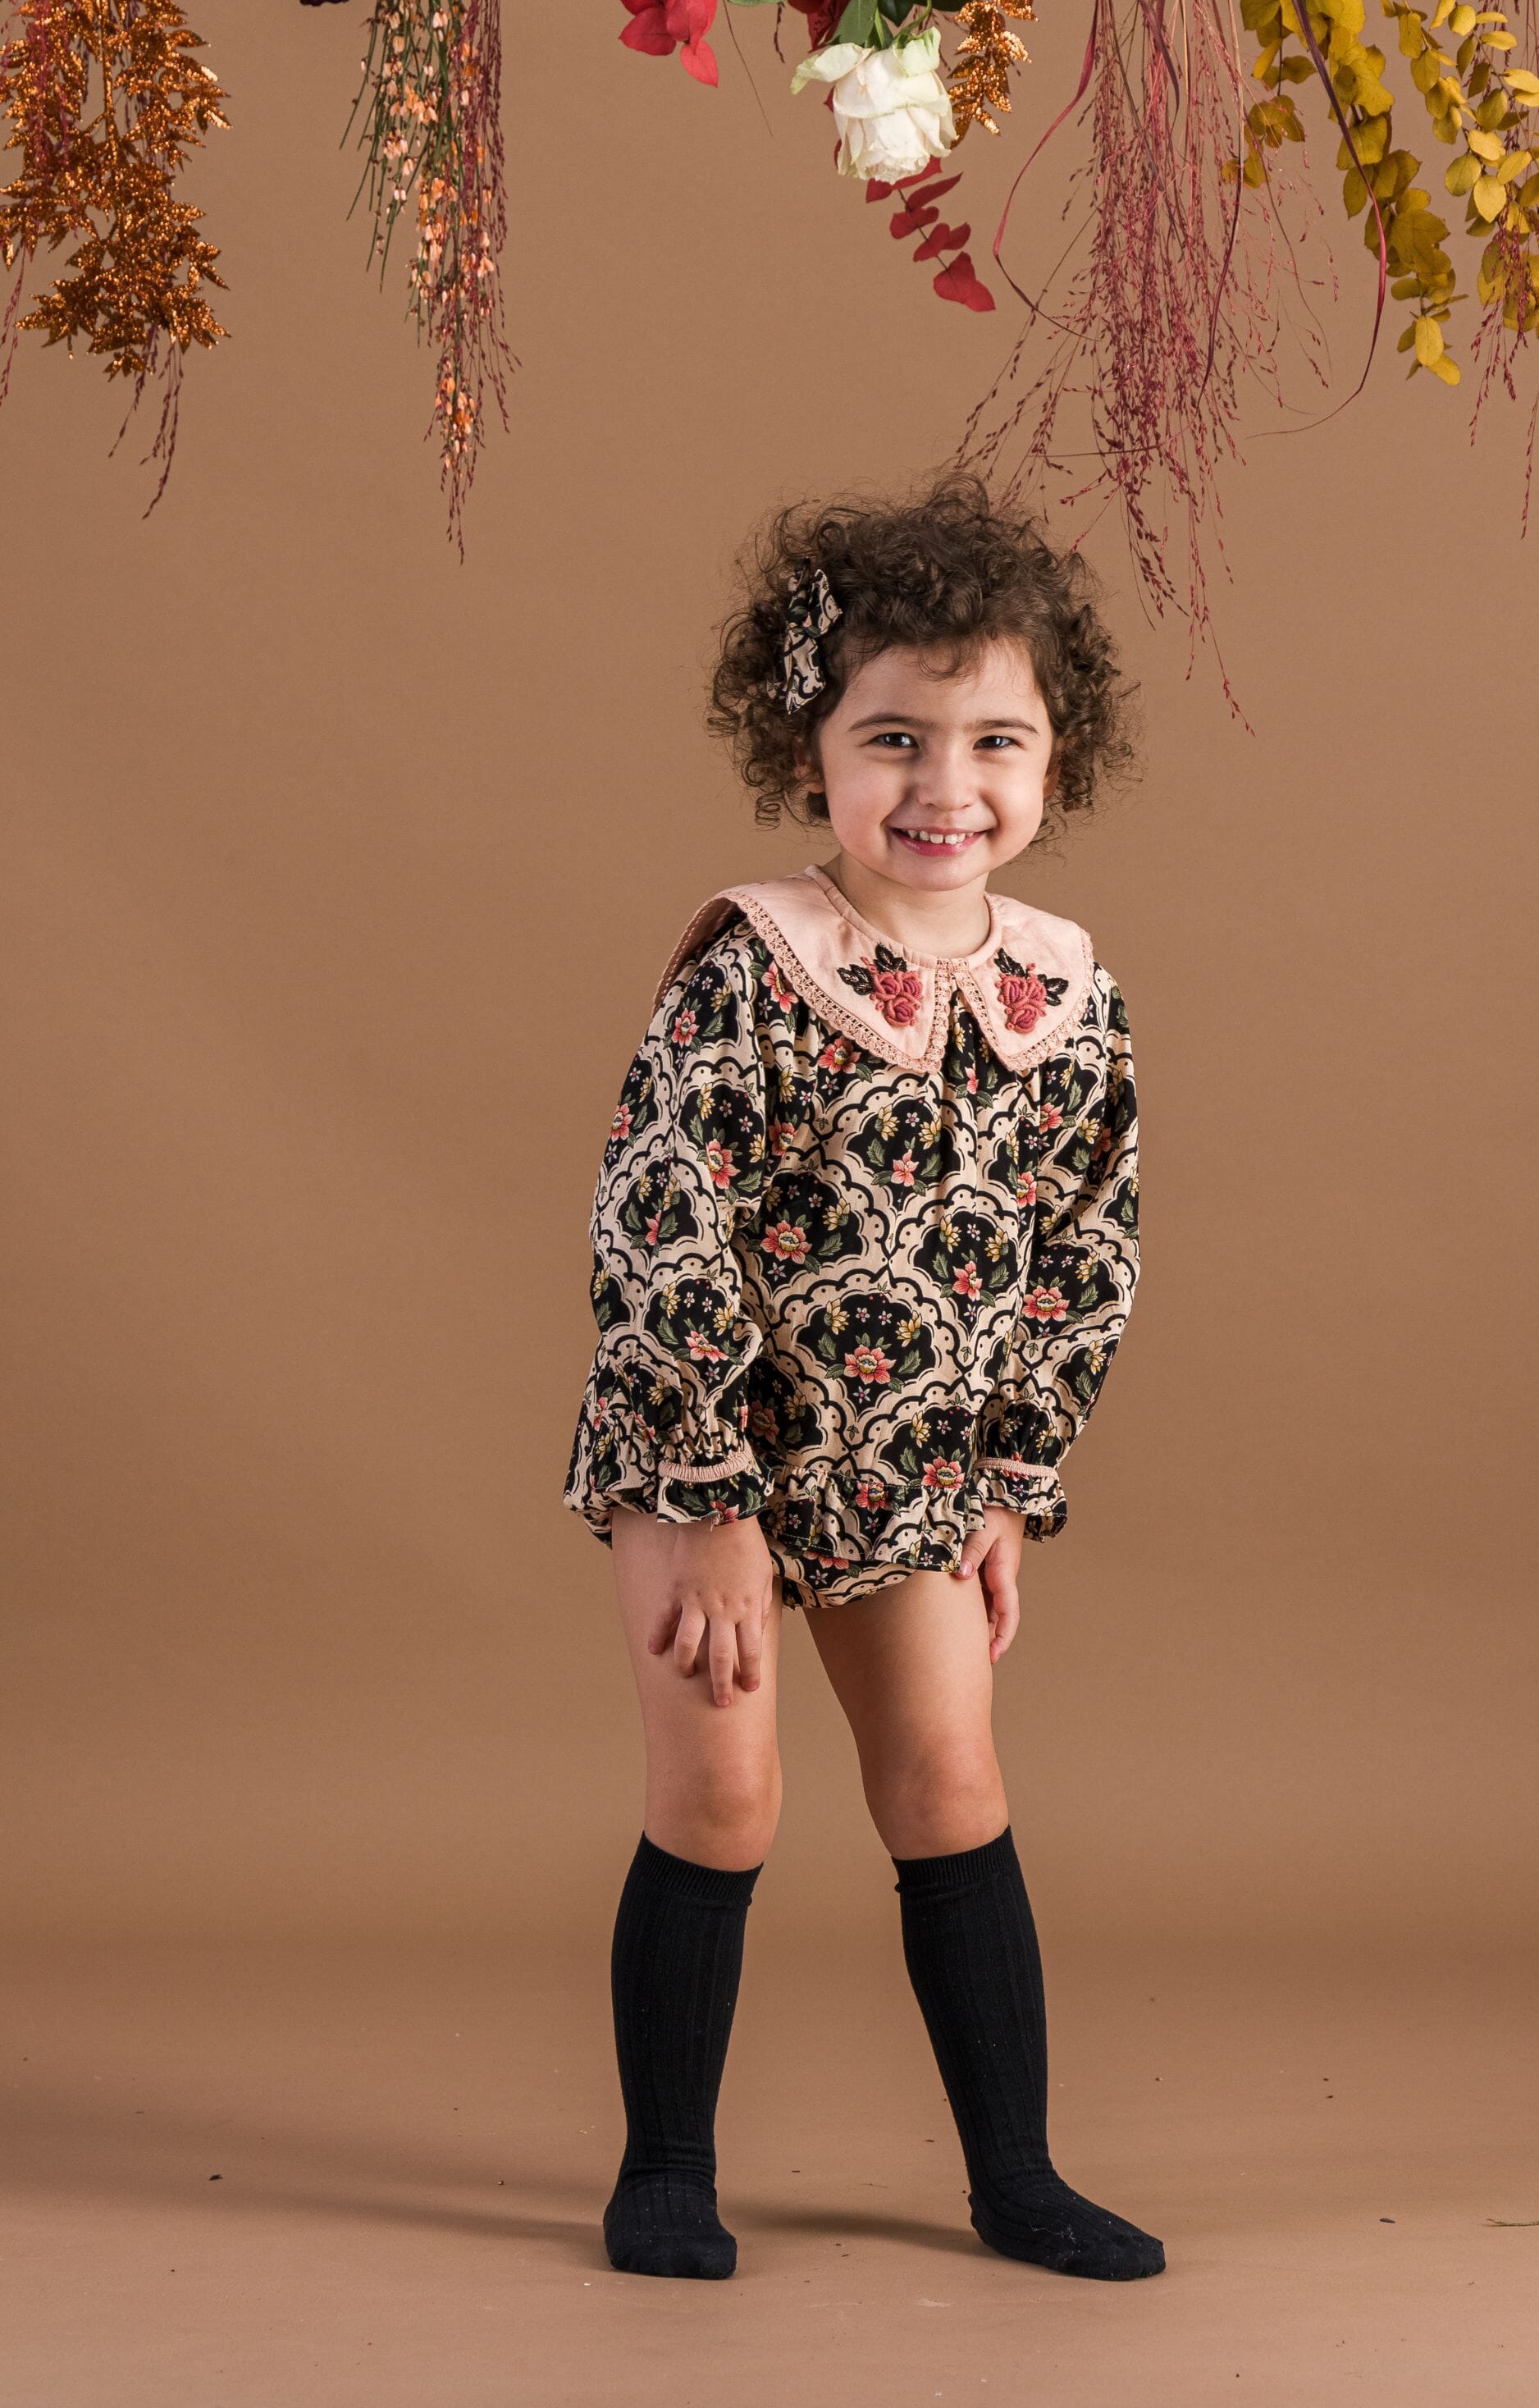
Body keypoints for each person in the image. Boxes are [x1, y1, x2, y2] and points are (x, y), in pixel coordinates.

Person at [564, 474, 1165, 2286]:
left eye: (994, 742)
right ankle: (666, 2168)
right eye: (891, 738)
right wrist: (709, 1502)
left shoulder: (1067, 995)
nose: (942, 786)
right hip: (717, 1454)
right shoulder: (755, 970)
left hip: (915, 1466)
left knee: (949, 1784)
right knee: (723, 1798)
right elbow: (665, 1223)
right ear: (808, 749)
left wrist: (1008, 1479)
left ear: (1056, 758)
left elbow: (1083, 1250)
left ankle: (1015, 2175)